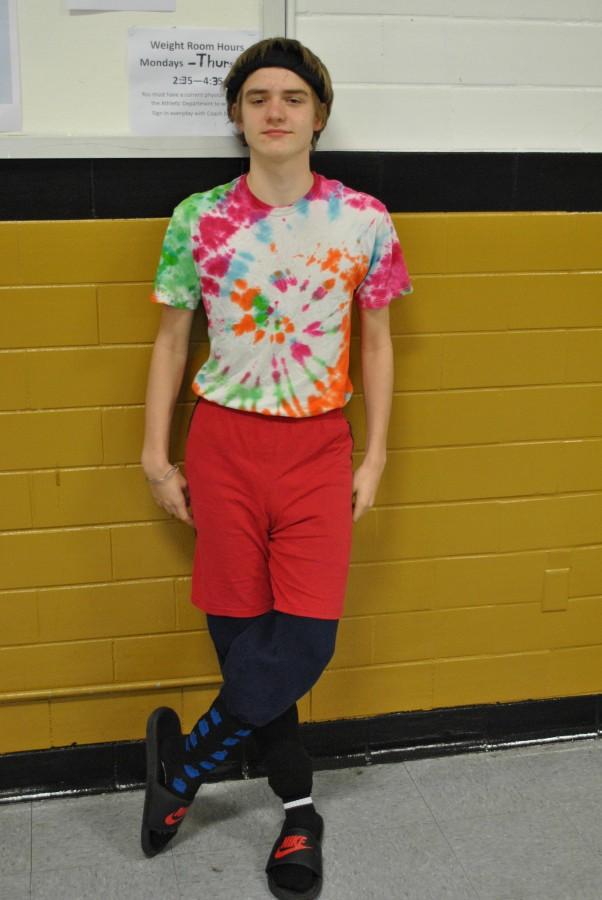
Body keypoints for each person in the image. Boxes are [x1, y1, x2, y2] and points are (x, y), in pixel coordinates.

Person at [139, 35, 413, 900]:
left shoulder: (364, 219)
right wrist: (154, 453)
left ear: (318, 115)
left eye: (292, 98)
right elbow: (172, 338)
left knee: (299, 644)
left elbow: (377, 341)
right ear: (236, 115)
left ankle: (180, 769)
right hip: (222, 444)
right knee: (243, 640)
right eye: (257, 98)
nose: (274, 112)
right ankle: (300, 816)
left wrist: (375, 455)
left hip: (316, 448)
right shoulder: (198, 218)